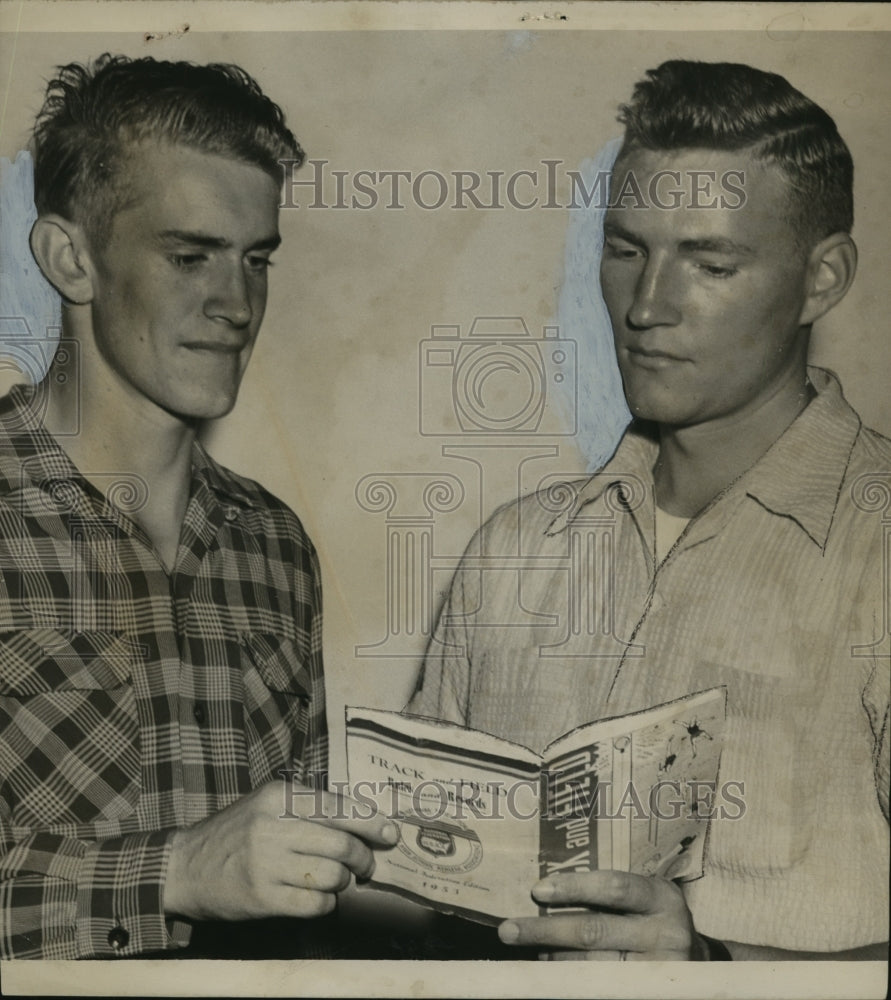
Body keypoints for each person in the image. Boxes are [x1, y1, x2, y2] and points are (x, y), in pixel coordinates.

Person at [408, 60, 890, 960]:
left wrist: (712, 969)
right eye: (625, 249)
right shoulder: (511, 550)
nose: (644, 306)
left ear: (822, 280)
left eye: (709, 261)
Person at [0, 54, 398, 960]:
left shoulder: (274, 547)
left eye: (255, 260)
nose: (236, 304)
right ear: (72, 259)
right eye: (190, 257)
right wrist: (176, 872)